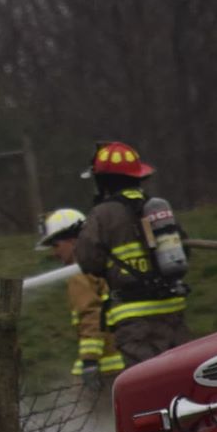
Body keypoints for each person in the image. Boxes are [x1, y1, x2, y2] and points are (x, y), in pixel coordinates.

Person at [75, 141, 192, 366]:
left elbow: (88, 260)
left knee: (147, 386)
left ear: (103, 181)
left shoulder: (102, 214)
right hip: (174, 312)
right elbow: (184, 247)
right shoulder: (156, 207)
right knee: (180, 376)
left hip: (135, 320)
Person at [36, 208, 124, 390]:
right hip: (124, 361)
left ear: (73, 241)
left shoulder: (79, 274)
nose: (54, 253)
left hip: (104, 371)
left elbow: (91, 316)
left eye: (56, 245)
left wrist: (89, 362)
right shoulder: (103, 263)